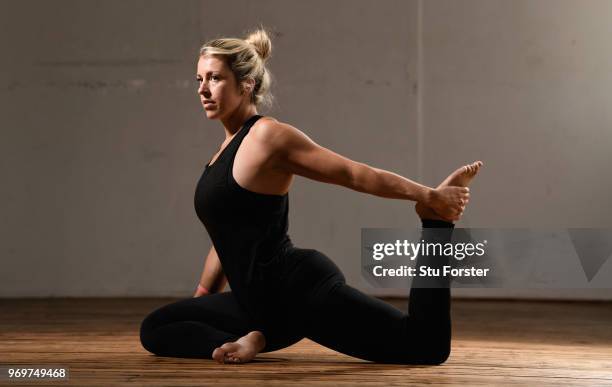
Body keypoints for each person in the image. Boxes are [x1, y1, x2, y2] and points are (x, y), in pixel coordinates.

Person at [139, 26, 483, 365]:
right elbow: (226, 233)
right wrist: (201, 302)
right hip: (254, 302)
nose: (203, 89)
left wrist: (429, 196)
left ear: (247, 84)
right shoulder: (222, 152)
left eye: (215, 78)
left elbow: (354, 174)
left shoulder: (268, 137)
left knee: (424, 346)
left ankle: (436, 224)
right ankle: (246, 339)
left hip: (298, 291)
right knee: (156, 328)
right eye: (199, 79)